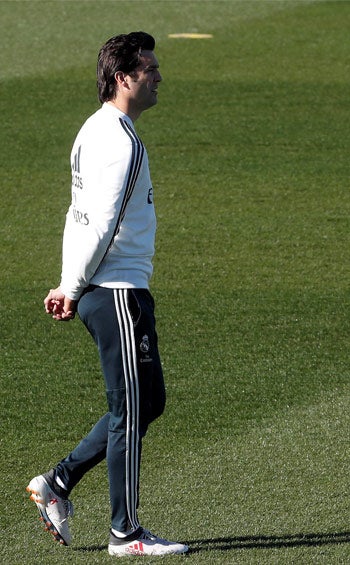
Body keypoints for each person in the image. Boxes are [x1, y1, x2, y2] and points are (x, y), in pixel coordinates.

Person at [26, 31, 188, 557]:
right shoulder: (121, 142)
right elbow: (100, 224)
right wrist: (71, 286)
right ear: (125, 77)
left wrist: (70, 281)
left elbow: (78, 216)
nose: (159, 76)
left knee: (146, 401)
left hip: (108, 286)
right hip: (116, 289)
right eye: (151, 69)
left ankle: (57, 483)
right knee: (131, 409)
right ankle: (126, 533)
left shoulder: (94, 130)